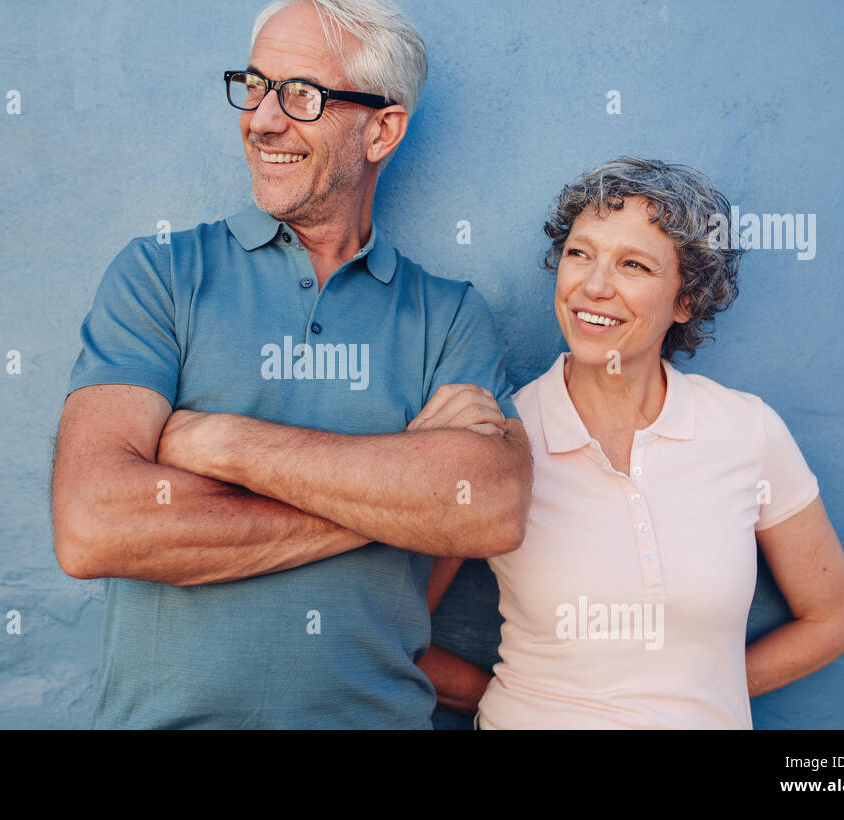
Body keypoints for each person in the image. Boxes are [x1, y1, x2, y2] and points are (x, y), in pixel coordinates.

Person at [50, 0, 532, 729]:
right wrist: (400, 489)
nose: (262, 119)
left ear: (382, 129)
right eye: (254, 84)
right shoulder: (161, 275)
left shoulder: (448, 314)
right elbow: (94, 525)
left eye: (301, 94)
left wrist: (222, 444)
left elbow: (488, 507)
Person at [420, 157, 844, 729]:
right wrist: (517, 702)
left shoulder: (747, 431)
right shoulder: (501, 436)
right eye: (580, 253)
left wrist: (697, 696)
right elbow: (393, 633)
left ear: (685, 301)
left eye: (633, 264)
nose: (594, 285)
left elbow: (833, 618)